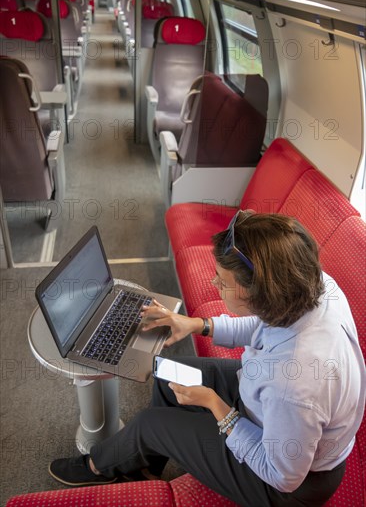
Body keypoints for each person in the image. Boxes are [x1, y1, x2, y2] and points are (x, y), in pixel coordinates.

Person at [49, 211, 365, 506]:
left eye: (222, 281)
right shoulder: (315, 287)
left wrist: (218, 407)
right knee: (166, 372)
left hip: (288, 483)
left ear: (255, 293)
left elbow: (282, 476)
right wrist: (198, 325)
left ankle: (97, 465)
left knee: (150, 424)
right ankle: (141, 464)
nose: (214, 285)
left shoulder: (295, 384)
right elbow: (263, 321)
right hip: (268, 407)